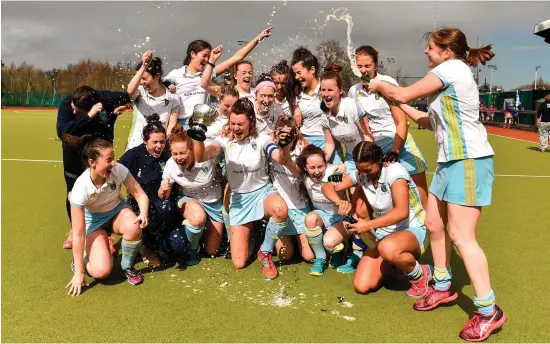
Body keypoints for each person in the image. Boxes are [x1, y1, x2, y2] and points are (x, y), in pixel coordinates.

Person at [367, 27, 506, 341]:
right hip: (450, 162)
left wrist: (382, 85)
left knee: (461, 235)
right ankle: (442, 287)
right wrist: (389, 97)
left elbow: (403, 94)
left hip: (468, 160)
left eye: (430, 47)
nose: (426, 52)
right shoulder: (448, 78)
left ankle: (489, 310)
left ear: (447, 50)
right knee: (433, 223)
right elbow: (422, 119)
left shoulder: (452, 69)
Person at [192, 98, 294, 280]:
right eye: (232, 123)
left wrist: (284, 147)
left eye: (240, 124)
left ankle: (265, 252)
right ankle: (255, 233)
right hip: (239, 199)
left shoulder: (262, 139)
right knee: (239, 263)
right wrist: (197, 137)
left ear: (251, 122)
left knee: (280, 210)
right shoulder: (223, 140)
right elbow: (200, 157)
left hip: (262, 193)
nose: (236, 128)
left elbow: (281, 158)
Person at [322, 142, 429, 297]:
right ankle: (395, 265)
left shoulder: (394, 171)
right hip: (385, 234)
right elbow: (327, 186)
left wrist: (368, 225)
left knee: (387, 248)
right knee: (362, 286)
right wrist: (339, 202)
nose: (363, 175)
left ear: (379, 160)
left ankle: (422, 274)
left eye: (368, 170)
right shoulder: (359, 174)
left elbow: (401, 212)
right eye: (360, 170)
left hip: (414, 228)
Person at [66, 138, 149, 296]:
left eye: (113, 158)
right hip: (93, 222)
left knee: (133, 225)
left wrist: (143, 212)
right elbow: (78, 234)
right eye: (108, 160)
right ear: (92, 162)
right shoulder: (80, 188)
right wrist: (79, 273)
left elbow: (140, 195)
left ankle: (127, 267)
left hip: (116, 211)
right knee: (101, 271)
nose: (113, 163)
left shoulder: (118, 170)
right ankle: (82, 261)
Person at [349, 45, 428, 208]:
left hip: (400, 145)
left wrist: (395, 151)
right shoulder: (353, 91)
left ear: (376, 65)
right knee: (381, 203)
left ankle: (434, 233)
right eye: (359, 66)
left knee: (421, 199)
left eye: (367, 66)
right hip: (376, 152)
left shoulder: (387, 83)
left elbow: (401, 122)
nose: (363, 70)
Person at [57, 85, 131, 250]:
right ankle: (75, 229)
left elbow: (131, 94)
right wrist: (87, 116)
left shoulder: (106, 98)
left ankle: (106, 236)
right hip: (73, 153)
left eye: (79, 111)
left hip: (99, 155)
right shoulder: (68, 103)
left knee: (103, 192)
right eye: (74, 109)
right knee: (72, 192)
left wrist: (113, 114)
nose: (74, 112)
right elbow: (61, 130)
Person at [165, 27, 272, 128]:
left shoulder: (207, 74)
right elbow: (158, 85)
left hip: (202, 122)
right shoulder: (176, 74)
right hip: (181, 124)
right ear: (193, 54)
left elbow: (237, 57)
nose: (207, 59)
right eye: (204, 55)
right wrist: (168, 86)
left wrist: (259, 38)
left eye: (209, 57)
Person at [118, 115, 182, 267]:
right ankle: (144, 246)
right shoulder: (133, 155)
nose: (159, 146)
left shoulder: (169, 154)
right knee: (160, 252)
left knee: (178, 250)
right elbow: (115, 173)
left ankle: (160, 244)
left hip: (166, 206)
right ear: (145, 141)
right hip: (141, 208)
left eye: (162, 141)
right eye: (154, 142)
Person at [159, 125, 226, 265]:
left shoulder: (206, 155)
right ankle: (193, 249)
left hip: (214, 203)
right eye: (175, 154)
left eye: (182, 153)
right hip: (191, 201)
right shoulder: (171, 165)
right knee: (197, 218)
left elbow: (223, 145)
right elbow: (163, 196)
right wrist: (163, 190)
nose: (178, 158)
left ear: (192, 149)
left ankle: (198, 235)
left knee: (212, 251)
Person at [288, 144, 349, 276]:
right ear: (305, 167)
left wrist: (343, 167)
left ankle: (338, 251)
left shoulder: (334, 172)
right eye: (312, 167)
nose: (317, 171)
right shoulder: (304, 177)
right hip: (323, 216)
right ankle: (321, 259)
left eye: (320, 166)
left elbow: (347, 171)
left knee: (329, 242)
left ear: (325, 164)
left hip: (341, 217)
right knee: (310, 218)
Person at [269, 116, 315, 264]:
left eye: (289, 135)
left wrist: (286, 155)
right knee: (285, 256)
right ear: (276, 133)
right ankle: (291, 240)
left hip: (299, 207)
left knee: (309, 256)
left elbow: (300, 173)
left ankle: (301, 239)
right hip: (282, 209)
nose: (285, 138)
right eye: (282, 134)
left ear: (295, 135)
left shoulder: (302, 149)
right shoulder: (270, 148)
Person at [320, 63, 372, 175]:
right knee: (349, 189)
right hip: (350, 157)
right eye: (323, 90)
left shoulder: (351, 105)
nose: (326, 94)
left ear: (340, 91)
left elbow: (368, 136)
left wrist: (363, 161)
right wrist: (320, 162)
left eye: (330, 90)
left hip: (367, 155)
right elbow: (330, 145)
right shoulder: (324, 115)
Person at [126, 51, 181, 151]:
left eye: (144, 78)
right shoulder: (140, 92)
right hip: (135, 148)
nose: (142, 82)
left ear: (157, 76)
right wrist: (143, 66)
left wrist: (161, 144)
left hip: (158, 150)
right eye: (140, 79)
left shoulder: (173, 98)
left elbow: (171, 126)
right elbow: (130, 91)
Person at [287, 47, 328, 153]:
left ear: (312, 70)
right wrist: (295, 108)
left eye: (299, 73)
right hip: (305, 143)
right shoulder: (297, 94)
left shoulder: (326, 89)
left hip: (327, 141)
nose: (296, 77)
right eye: (295, 74)